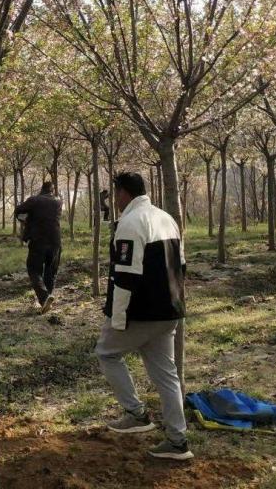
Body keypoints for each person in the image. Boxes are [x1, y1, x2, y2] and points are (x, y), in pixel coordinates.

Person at [95, 171, 192, 460]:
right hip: (169, 310)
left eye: (116, 193)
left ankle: (136, 414)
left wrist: (118, 318)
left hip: (143, 312)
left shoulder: (130, 223)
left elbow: (125, 277)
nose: (116, 199)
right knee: (166, 374)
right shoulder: (166, 217)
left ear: (123, 193)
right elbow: (181, 266)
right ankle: (177, 440)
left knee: (106, 353)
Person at [15, 180, 62, 313]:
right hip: (55, 241)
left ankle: (44, 297)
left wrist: (26, 220)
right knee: (51, 271)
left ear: (41, 189)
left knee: (33, 269)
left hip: (38, 241)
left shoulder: (34, 200)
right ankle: (47, 300)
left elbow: (18, 210)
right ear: (52, 191)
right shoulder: (59, 201)